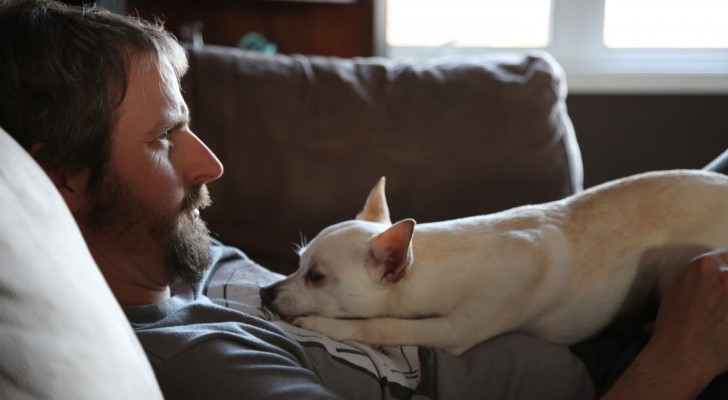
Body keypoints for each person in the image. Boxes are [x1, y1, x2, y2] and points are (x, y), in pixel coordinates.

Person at [0, 1, 727, 399]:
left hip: (604, 304)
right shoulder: (198, 361)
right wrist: (673, 366)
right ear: (64, 177)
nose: (212, 164)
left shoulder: (182, 256)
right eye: (167, 139)